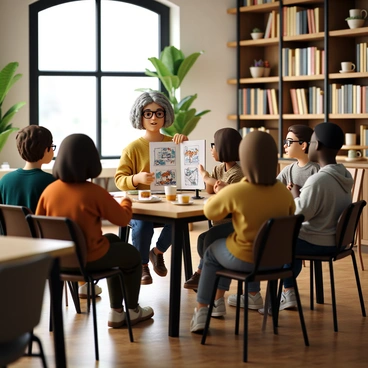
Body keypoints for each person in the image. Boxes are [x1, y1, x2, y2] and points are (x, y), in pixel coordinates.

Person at [36, 133, 154, 328]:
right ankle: (131, 310)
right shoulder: (94, 192)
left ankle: (117, 312)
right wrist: (126, 201)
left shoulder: (49, 191)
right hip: (88, 259)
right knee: (131, 255)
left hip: (58, 260)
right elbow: (123, 219)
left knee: (113, 240)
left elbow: (39, 223)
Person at [190, 131, 296, 332]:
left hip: (245, 260)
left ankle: (203, 311)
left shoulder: (237, 191)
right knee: (221, 244)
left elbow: (209, 211)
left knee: (212, 251)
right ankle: (232, 300)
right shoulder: (283, 192)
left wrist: (220, 191)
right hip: (277, 262)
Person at [226, 125, 319, 310]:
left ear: (303, 145)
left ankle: (264, 292)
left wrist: (293, 194)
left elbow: (310, 203)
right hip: (289, 224)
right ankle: (280, 291)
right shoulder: (289, 169)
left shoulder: (316, 172)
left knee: (258, 242)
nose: (284, 145)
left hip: (302, 227)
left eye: (289, 141)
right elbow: (270, 187)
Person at [114, 91, 188, 285]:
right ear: (140, 116)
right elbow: (119, 179)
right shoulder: (132, 148)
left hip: (168, 202)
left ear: (166, 116)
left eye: (159, 113)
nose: (154, 118)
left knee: (178, 222)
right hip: (142, 205)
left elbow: (188, 169)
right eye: (148, 113)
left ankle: (157, 252)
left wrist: (186, 146)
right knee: (142, 225)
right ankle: (142, 264)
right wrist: (136, 178)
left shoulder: (174, 143)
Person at [278, 122, 353, 310]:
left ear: (317, 145)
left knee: (278, 241)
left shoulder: (318, 180)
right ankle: (289, 291)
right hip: (336, 239)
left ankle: (280, 295)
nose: (308, 145)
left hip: (321, 241)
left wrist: (296, 195)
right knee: (288, 239)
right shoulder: (341, 175)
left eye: (310, 141)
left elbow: (298, 214)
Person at [184, 127, 243, 290]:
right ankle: (209, 272)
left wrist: (206, 177)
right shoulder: (218, 169)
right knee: (202, 239)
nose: (211, 149)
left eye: (214, 145)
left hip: (232, 224)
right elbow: (211, 191)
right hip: (218, 223)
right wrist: (209, 179)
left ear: (224, 148)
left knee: (208, 239)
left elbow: (229, 196)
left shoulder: (237, 173)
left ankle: (201, 274)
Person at [0, 125, 55, 213]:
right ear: (45, 149)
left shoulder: (4, 181)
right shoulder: (52, 182)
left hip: (14, 227)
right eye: (52, 146)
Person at [277, 125, 319, 191]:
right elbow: (275, 190)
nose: (285, 146)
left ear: (303, 145)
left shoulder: (317, 170)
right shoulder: (287, 170)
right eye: (285, 142)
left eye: (289, 142)